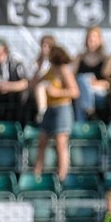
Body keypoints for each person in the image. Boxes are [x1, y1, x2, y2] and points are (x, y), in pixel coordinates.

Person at [33, 45, 79, 183]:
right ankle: (37, 173)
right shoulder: (50, 69)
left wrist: (57, 92)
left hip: (62, 108)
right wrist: (39, 65)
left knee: (60, 142)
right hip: (49, 109)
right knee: (42, 142)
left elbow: (75, 92)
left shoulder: (64, 70)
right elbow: (35, 83)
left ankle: (62, 176)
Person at [74, 26, 111, 122]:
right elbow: (72, 77)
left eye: (94, 37)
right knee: (81, 82)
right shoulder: (79, 57)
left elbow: (108, 83)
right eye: (90, 37)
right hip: (82, 92)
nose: (92, 40)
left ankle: (82, 122)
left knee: (82, 83)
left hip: (99, 93)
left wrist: (90, 84)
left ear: (100, 40)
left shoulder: (106, 58)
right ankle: (89, 111)